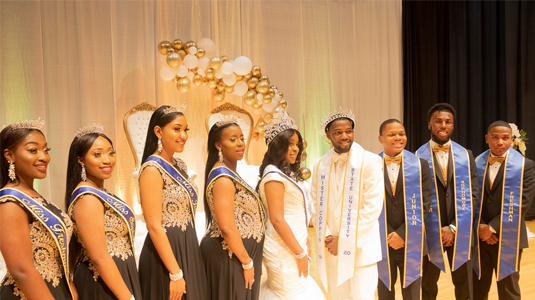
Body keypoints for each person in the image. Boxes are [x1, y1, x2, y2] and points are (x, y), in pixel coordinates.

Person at [311, 108, 384, 300]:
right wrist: (327, 236)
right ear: (328, 135)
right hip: (332, 250)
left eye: (348, 131)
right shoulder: (319, 165)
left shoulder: (370, 161)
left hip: (362, 250)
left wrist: (344, 240)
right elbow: (314, 205)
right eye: (338, 132)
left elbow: (372, 207)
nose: (345, 136)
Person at [138, 104, 208, 300]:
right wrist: (175, 273)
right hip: (166, 254)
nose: (183, 135)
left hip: (187, 244)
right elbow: (153, 226)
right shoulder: (152, 169)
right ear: (158, 131)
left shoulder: (180, 165)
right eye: (177, 129)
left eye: (185, 130)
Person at [0, 119, 75, 300]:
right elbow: (21, 270)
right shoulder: (10, 202)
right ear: (9, 155)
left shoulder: (33, 196)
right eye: (33, 150)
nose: (44, 157)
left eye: (46, 150)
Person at [65, 123, 141, 300]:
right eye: (97, 154)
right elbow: (98, 256)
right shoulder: (87, 197)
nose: (107, 160)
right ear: (81, 160)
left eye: (111, 152)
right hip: (101, 283)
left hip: (119, 274)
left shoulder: (101, 192)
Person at [257, 111, 325, 300]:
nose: (295, 149)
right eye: (290, 144)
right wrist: (299, 251)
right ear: (278, 147)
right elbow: (277, 219)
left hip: (293, 243)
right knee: (289, 292)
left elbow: (298, 212)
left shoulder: (284, 173)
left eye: (297, 144)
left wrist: (305, 242)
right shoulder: (273, 176)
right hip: (282, 247)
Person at [415, 103, 479, 300]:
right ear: (429, 125)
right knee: (427, 285)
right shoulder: (416, 157)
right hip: (429, 232)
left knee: (464, 284)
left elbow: (474, 195)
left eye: (448, 122)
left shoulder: (466, 155)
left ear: (453, 126)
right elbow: (415, 200)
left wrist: (452, 227)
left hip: (459, 230)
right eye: (438, 121)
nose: (443, 125)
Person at [200, 116, 265, 300]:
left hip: (237, 257)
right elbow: (227, 228)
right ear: (218, 145)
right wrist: (246, 262)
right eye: (232, 139)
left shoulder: (230, 173)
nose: (240, 144)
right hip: (228, 256)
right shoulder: (222, 178)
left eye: (242, 138)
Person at [472, 121, 535, 300]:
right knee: (477, 287)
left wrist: (491, 227)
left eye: (505, 138)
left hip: (509, 235)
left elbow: (522, 203)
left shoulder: (525, 166)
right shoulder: (476, 163)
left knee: (508, 289)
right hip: (479, 236)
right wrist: (480, 227)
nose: (500, 142)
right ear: (487, 139)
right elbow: (469, 198)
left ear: (511, 139)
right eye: (495, 137)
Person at [376, 119, 432, 300]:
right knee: (384, 292)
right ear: (380, 138)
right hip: (381, 240)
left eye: (401, 134)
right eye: (392, 134)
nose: (398, 138)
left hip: (411, 239)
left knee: (413, 294)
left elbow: (424, 203)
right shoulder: (370, 165)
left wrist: (401, 233)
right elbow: (367, 204)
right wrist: (388, 234)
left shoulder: (419, 164)